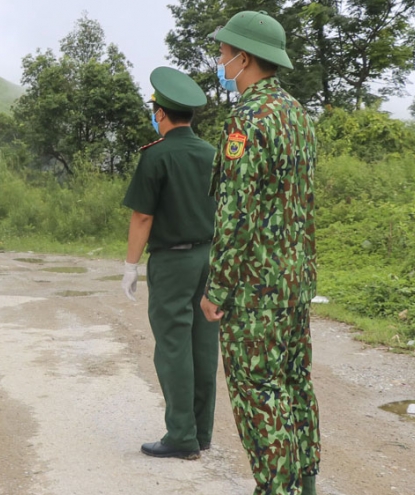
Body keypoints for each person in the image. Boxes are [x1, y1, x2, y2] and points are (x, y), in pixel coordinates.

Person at [199, 11, 320, 495]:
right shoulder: (297, 114)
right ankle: (303, 483)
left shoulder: (248, 120)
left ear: (244, 57)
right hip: (293, 280)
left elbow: (236, 215)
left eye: (224, 52)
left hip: (255, 289)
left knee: (258, 391)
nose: (220, 59)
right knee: (293, 382)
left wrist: (218, 289)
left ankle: (276, 488)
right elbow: (302, 204)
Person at [121, 67, 219, 460]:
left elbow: (142, 217)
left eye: (154, 111)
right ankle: (202, 431)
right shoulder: (214, 153)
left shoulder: (156, 156)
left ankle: (181, 436)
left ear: (160, 114)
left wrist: (130, 266)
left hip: (173, 261)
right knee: (203, 344)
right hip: (210, 258)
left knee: (174, 346)